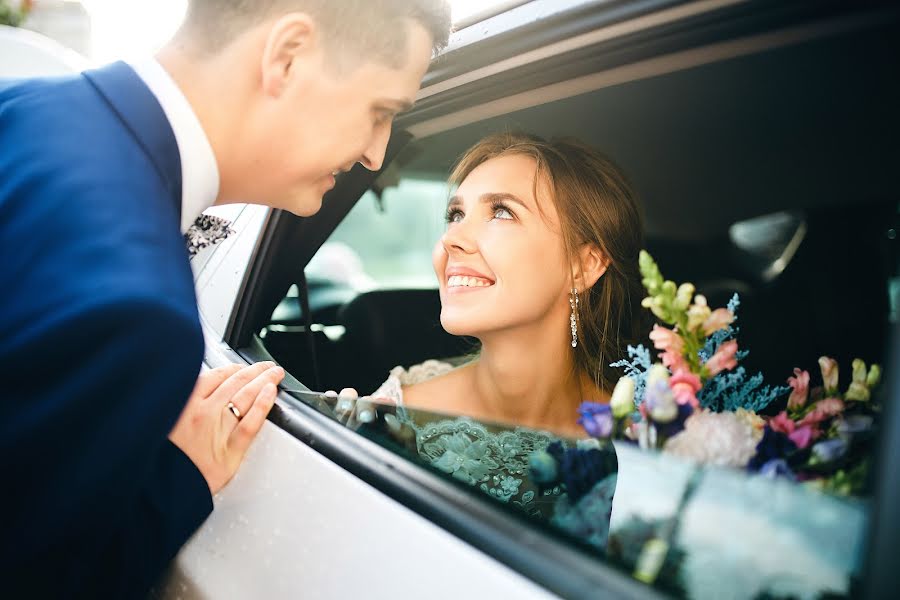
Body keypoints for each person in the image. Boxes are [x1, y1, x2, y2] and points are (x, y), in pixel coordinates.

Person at [0, 0, 451, 597]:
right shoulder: (137, 308)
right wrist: (177, 484)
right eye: (380, 110)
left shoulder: (20, 109)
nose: (376, 152)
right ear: (288, 56)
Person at [340, 132, 644, 518]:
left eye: (501, 211)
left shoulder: (643, 432)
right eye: (455, 215)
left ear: (583, 266)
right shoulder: (395, 416)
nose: (452, 239)